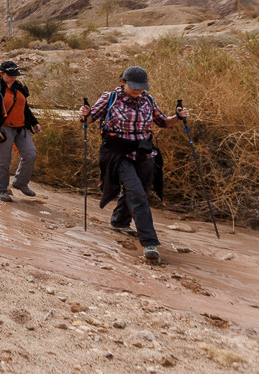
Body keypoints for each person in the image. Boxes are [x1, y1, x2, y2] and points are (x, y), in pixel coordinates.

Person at [79, 66, 189, 265]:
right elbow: (89, 119)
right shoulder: (110, 98)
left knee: (142, 191)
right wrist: (84, 113)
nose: (139, 90)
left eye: (142, 87)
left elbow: (163, 122)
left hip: (143, 151)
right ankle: (149, 243)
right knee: (137, 193)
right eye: (134, 86)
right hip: (116, 151)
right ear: (123, 82)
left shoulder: (148, 99)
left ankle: (120, 222)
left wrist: (178, 117)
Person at [0, 60, 40, 202]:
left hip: (21, 128)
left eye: (15, 74)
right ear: (2, 74)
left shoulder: (19, 87)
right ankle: (1, 189)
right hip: (4, 128)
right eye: (11, 75)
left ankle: (20, 183)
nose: (14, 77)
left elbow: (25, 108)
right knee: (3, 160)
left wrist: (34, 123)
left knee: (30, 154)